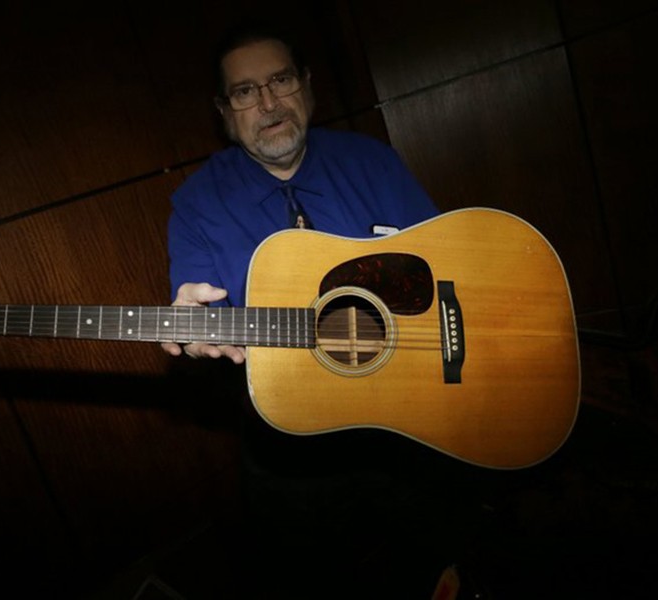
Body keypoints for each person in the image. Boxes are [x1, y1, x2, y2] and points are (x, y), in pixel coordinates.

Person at [161, 20, 486, 598]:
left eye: (280, 80)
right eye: (244, 91)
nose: (267, 103)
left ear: (307, 87)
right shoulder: (194, 204)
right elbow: (197, 308)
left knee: (441, 556)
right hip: (288, 442)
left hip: (407, 416)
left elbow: (453, 269)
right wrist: (193, 325)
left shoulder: (374, 163)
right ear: (224, 111)